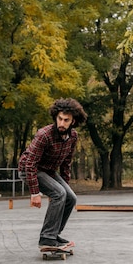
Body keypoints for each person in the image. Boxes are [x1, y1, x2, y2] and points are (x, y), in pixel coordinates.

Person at [18, 98, 88, 250]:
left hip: (48, 171)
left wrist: (64, 187)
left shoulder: (73, 137)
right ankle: (46, 238)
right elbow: (30, 163)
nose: (62, 124)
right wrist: (34, 192)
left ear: (73, 121)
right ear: (55, 117)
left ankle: (54, 234)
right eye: (60, 119)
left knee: (70, 197)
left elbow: (66, 164)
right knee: (59, 194)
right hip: (29, 169)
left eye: (66, 120)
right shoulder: (44, 134)